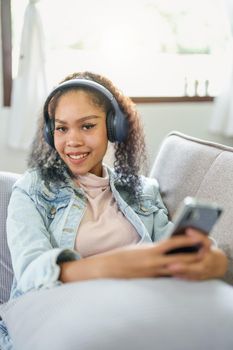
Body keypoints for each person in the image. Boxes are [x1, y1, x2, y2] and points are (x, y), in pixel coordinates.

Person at [0, 71, 228, 349]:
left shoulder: (143, 190)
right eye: (62, 128)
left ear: (113, 127)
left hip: (142, 305)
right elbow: (32, 272)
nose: (72, 140)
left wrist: (212, 259)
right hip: (62, 314)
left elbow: (170, 247)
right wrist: (122, 264)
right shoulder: (33, 189)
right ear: (50, 133)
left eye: (87, 126)